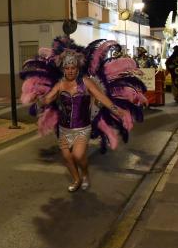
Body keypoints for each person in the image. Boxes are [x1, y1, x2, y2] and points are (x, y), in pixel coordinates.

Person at [39, 50, 126, 191]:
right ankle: (76, 179)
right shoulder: (60, 85)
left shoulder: (86, 82)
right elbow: (48, 98)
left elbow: (101, 97)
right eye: (67, 68)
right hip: (64, 129)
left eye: (73, 68)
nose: (70, 71)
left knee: (78, 156)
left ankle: (85, 173)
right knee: (67, 157)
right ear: (63, 70)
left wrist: (116, 110)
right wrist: (40, 101)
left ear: (77, 68)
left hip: (82, 128)